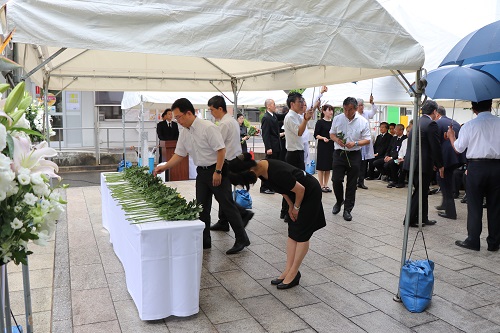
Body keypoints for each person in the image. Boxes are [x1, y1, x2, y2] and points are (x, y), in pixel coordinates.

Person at [153, 98, 250, 255]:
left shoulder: (208, 127)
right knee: (201, 208)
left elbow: (221, 150)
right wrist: (165, 167)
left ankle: (242, 238)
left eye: (178, 117)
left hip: (217, 169)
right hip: (202, 173)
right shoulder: (184, 131)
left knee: (227, 205)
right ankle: (205, 241)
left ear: (189, 113)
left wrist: (218, 172)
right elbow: (179, 154)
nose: (177, 120)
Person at [227, 153, 326, 289]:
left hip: (309, 193)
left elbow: (301, 189)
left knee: (302, 233)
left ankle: (294, 272)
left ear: (250, 171)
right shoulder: (261, 169)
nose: (250, 183)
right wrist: (291, 206)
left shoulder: (277, 172)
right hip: (295, 194)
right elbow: (283, 190)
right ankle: (288, 269)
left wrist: (296, 207)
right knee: (293, 232)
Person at [448, 99, 500, 251]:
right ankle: (494, 242)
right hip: (497, 167)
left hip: (476, 167)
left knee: (475, 204)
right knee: (496, 205)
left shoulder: (470, 125)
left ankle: (473, 240)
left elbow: (458, 148)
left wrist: (451, 136)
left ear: (473, 109)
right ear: (490, 106)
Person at [207, 96, 254, 233]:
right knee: (223, 193)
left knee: (223, 195)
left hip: (226, 161)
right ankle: (223, 221)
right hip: (234, 159)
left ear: (220, 108)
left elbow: (216, 144)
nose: (211, 113)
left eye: (212, 110)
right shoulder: (232, 120)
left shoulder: (224, 124)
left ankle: (243, 214)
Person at [403, 100, 444, 228]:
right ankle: (409, 219)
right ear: (434, 111)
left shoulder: (417, 122)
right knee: (420, 192)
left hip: (412, 163)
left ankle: (423, 217)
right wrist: (440, 164)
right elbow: (435, 147)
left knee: (422, 191)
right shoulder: (431, 124)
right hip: (422, 164)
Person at [329, 97, 371, 221]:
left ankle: (347, 209)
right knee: (336, 180)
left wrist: (356, 143)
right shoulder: (337, 118)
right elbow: (332, 134)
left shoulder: (362, 121)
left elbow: (368, 139)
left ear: (356, 108)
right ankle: (339, 201)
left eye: (350, 110)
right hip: (339, 153)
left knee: (352, 183)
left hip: (354, 154)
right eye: (345, 109)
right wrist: (337, 140)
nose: (347, 112)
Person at [283, 92, 320, 221]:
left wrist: (313, 107)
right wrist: (305, 119)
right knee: (294, 184)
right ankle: (289, 212)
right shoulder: (290, 117)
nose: (302, 104)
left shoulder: (297, 116)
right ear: (292, 104)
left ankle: (286, 211)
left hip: (298, 153)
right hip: (293, 154)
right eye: (300, 102)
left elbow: (305, 118)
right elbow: (299, 131)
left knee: (293, 183)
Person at [435, 106, 463, 220]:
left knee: (445, 183)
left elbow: (436, 143)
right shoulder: (454, 122)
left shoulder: (438, 123)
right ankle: (445, 204)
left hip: (445, 157)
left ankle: (450, 211)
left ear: (437, 114)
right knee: (443, 179)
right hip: (457, 157)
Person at [260, 99, 282, 194]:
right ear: (268, 106)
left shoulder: (273, 116)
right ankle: (264, 187)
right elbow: (265, 134)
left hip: (277, 146)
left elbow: (282, 116)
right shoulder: (266, 117)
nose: (275, 106)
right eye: (273, 104)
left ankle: (271, 185)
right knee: (267, 167)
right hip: (271, 147)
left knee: (273, 167)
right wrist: (268, 147)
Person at [356, 96, 377, 189]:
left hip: (365, 141)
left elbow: (374, 112)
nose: (361, 107)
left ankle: (361, 181)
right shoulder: (355, 115)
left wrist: (372, 103)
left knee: (364, 163)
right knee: (356, 162)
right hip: (357, 141)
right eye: (360, 105)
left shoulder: (366, 114)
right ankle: (355, 181)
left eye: (362, 105)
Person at [313, 104, 334, 192]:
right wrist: (322, 138)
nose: (331, 112)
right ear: (324, 111)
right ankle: (321, 184)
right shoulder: (320, 122)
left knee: (328, 166)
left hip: (331, 145)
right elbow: (316, 135)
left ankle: (326, 184)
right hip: (322, 145)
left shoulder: (333, 122)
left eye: (332, 110)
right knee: (321, 165)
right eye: (329, 110)